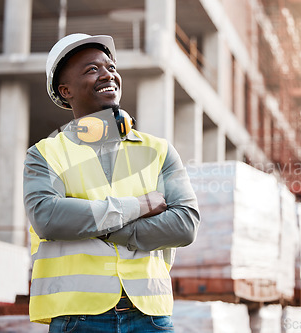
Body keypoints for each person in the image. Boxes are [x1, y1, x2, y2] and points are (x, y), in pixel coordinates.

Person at [23, 33, 200, 332]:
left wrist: (96, 228)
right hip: (77, 318)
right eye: (92, 69)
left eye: (110, 67)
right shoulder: (44, 154)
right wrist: (140, 206)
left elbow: (185, 224)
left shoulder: (159, 151)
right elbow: (48, 217)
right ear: (65, 90)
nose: (108, 74)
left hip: (150, 316)